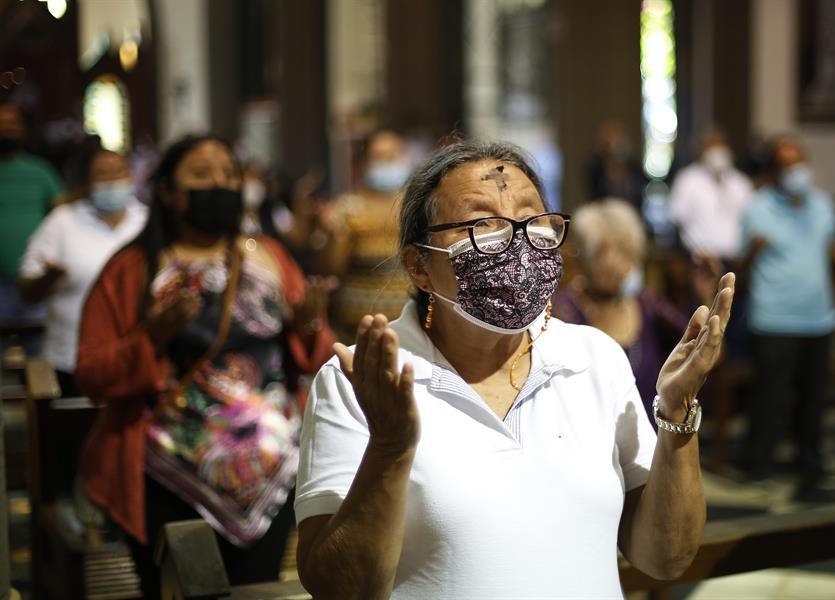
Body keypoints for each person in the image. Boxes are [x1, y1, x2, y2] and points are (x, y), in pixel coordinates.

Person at [294, 140, 736, 598]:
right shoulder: (361, 380)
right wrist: (389, 447)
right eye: (483, 224)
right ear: (419, 265)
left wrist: (678, 413)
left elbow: (665, 558)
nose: (518, 240)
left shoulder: (594, 358)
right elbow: (340, 589)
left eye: (533, 218)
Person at [74, 134, 336, 595]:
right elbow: (93, 374)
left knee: (255, 589)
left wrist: (309, 326)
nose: (219, 182)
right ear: (168, 192)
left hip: (269, 469)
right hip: (165, 468)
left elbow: (315, 358)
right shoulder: (134, 268)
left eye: (228, 174)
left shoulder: (269, 257)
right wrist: (153, 336)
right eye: (201, 174)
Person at [740, 135, 835, 498]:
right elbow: (741, 269)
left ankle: (810, 461)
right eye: (788, 165)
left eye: (800, 163)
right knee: (771, 396)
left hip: (818, 316)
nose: (797, 172)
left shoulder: (822, 205)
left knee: (815, 397)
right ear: (774, 172)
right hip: (775, 318)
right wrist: (753, 252)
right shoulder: (758, 209)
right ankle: (760, 462)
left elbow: (830, 253)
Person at [553, 199, 720, 426]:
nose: (626, 264)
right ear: (586, 257)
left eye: (629, 252)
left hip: (652, 441)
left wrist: (706, 299)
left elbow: (704, 353)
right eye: (610, 252)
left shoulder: (645, 302)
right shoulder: (565, 308)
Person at [18, 142, 147, 396]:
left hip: (133, 359)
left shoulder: (146, 221)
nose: (112, 181)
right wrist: (50, 277)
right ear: (87, 181)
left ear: (131, 176)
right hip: (70, 357)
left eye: (119, 172)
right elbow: (27, 292)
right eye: (102, 174)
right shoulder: (61, 222)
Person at [319, 130, 414, 341]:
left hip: (410, 330)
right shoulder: (348, 208)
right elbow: (331, 269)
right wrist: (335, 235)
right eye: (378, 157)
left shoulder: (416, 206)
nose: (385, 163)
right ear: (365, 162)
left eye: (391, 157)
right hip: (357, 331)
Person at [0, 101, 65, 353]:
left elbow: (61, 212)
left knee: (38, 357)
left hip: (35, 279)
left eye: (11, 124)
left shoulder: (40, 172)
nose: (6, 130)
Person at [670, 129, 754, 261]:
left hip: (733, 259)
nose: (717, 151)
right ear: (702, 150)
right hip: (698, 259)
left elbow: (750, 221)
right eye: (711, 146)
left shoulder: (741, 183)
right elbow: (677, 218)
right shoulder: (687, 179)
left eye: (721, 145)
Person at [585, 120, 646, 212]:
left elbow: (639, 196)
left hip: (631, 215)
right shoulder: (595, 169)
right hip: (603, 215)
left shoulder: (635, 169)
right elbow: (594, 198)